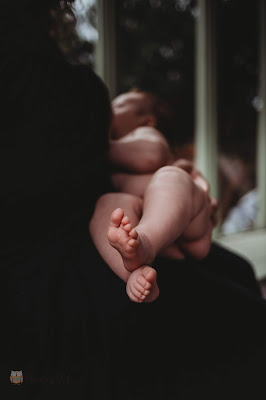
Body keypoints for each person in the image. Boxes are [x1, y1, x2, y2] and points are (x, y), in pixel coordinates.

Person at [2, 2, 266, 399]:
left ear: (147, 121)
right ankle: (136, 263)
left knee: (171, 182)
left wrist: (106, 132)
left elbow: (146, 156)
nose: (120, 105)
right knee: (111, 211)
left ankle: (146, 242)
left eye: (133, 106)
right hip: (106, 231)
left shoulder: (138, 139)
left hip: (165, 220)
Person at [90, 90, 217, 302]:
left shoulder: (143, 134)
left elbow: (152, 156)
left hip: (185, 221)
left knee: (171, 177)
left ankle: (145, 243)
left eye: (119, 106)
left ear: (148, 121)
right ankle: (134, 273)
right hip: (152, 229)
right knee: (108, 205)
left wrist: (98, 146)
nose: (110, 109)